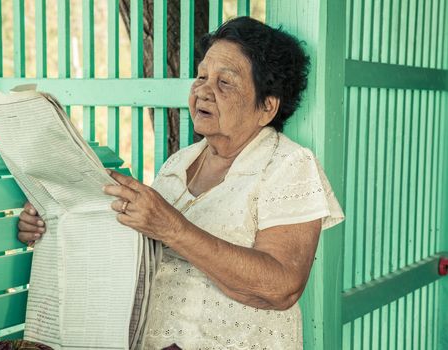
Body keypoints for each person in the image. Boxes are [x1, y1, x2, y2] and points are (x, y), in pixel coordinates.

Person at [18, 17, 344, 349]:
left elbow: (282, 287)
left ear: (266, 107)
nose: (203, 90)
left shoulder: (289, 165)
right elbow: (140, 249)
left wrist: (173, 227)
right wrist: (58, 217)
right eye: (201, 76)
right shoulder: (179, 163)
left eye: (224, 83)